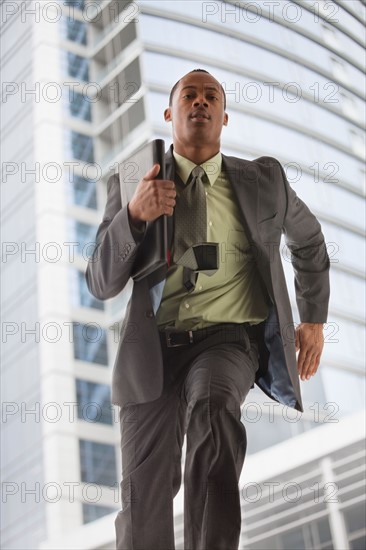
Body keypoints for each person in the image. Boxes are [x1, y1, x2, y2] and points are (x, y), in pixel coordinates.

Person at [86, 69, 330, 550]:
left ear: (224, 116)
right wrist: (134, 217)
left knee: (214, 408)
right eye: (188, 96)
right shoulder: (134, 178)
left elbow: (310, 242)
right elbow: (100, 282)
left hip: (227, 340)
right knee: (142, 505)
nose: (199, 102)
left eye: (210, 96)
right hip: (152, 351)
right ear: (169, 113)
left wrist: (314, 320)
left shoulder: (264, 182)